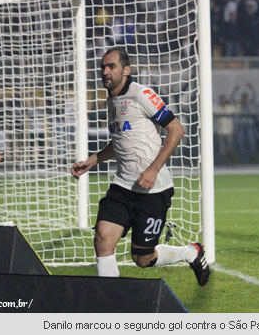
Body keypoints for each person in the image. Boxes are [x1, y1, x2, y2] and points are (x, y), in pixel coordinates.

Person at [71, 47, 209, 286]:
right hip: (123, 185)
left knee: (143, 258)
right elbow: (121, 142)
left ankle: (191, 252)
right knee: (103, 238)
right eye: (103, 67)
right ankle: (111, 303)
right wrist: (92, 160)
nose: (105, 71)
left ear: (127, 70)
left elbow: (176, 129)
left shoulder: (142, 94)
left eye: (111, 66)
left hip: (152, 191)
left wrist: (153, 169)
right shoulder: (111, 101)